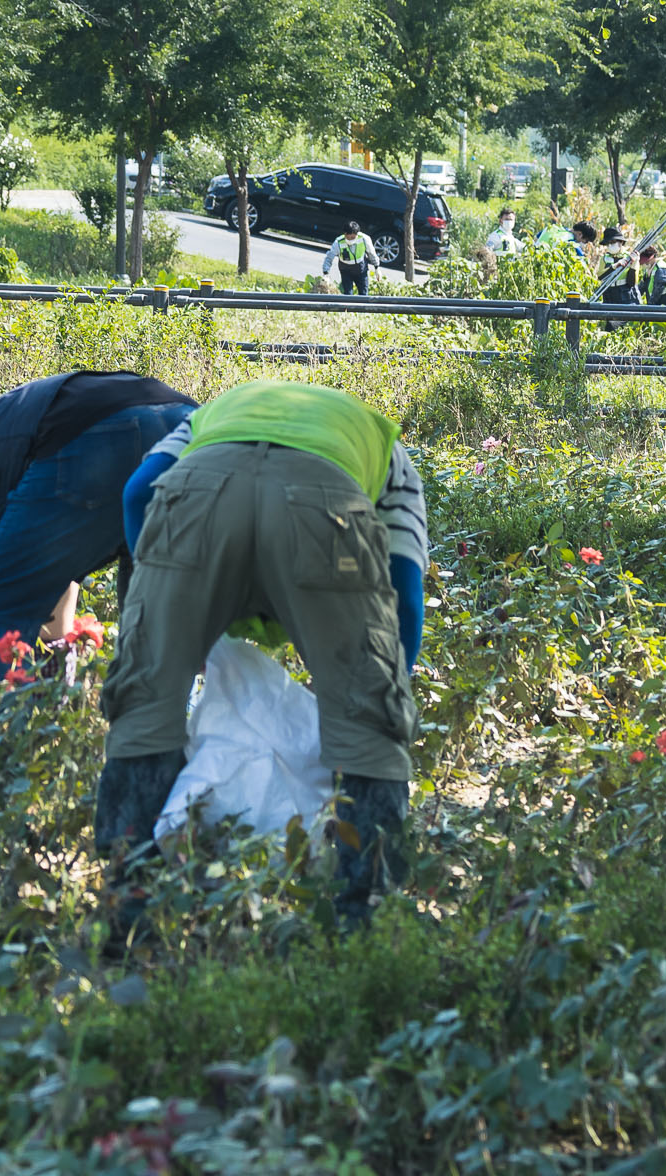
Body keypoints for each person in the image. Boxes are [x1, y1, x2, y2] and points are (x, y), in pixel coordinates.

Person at [102, 380, 427, 929]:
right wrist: (384, 685)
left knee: (145, 713)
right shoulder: (387, 451)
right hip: (325, 503)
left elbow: (138, 493)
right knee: (369, 729)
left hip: (196, 493)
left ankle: (129, 918)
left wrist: (167, 603)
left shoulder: (213, 414)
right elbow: (404, 591)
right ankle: (363, 927)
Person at [0, 372, 196, 744]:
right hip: (185, 425)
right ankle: (160, 759)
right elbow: (57, 615)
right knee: (152, 620)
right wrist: (52, 685)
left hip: (97, 436)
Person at [330, 220, 375, 295]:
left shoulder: (364, 238)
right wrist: (326, 271)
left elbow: (371, 253)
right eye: (349, 237)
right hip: (346, 271)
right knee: (348, 294)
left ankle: (361, 307)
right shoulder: (338, 242)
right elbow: (330, 256)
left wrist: (376, 267)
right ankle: (347, 307)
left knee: (364, 294)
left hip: (361, 271)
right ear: (345, 234)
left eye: (353, 237)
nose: (351, 239)